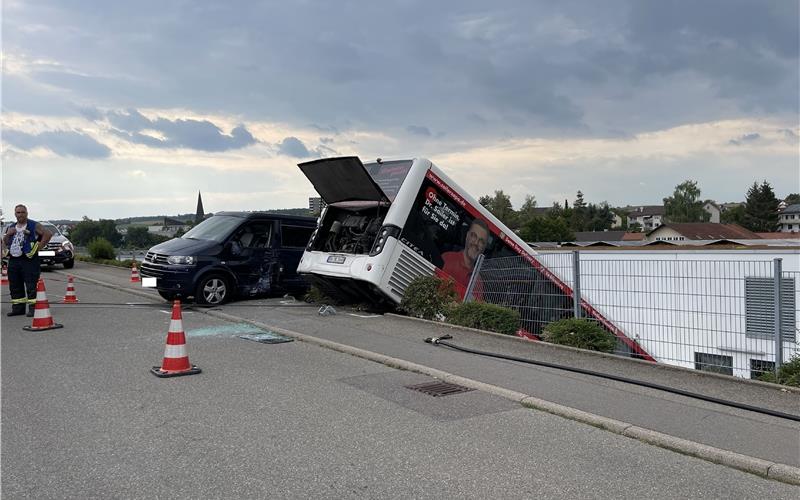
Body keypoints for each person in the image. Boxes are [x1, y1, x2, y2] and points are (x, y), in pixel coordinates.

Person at [3, 205, 51, 317]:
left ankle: (33, 309)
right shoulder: (11, 226)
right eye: (18, 212)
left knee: (31, 285)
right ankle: (18, 308)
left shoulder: (33, 225)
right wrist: (8, 234)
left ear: (27, 213)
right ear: (15, 214)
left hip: (29, 259)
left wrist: (39, 246)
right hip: (14, 259)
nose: (20, 214)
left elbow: (48, 234)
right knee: (15, 285)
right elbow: (4, 241)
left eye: (22, 212)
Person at [438, 218, 490, 300]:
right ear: (467, 236)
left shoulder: (478, 282)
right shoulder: (447, 258)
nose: (476, 243)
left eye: (481, 241)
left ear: (484, 248)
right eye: (474, 236)